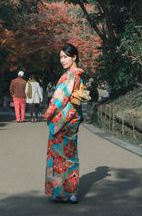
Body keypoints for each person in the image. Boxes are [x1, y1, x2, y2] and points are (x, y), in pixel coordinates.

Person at [43, 43, 84, 204]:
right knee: (71, 155)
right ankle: (72, 191)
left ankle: (61, 192)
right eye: (61, 57)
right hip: (73, 118)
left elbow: (60, 98)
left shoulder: (68, 76)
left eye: (65, 57)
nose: (62, 60)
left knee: (59, 156)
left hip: (61, 120)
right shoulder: (79, 75)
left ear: (74, 57)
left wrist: (48, 113)